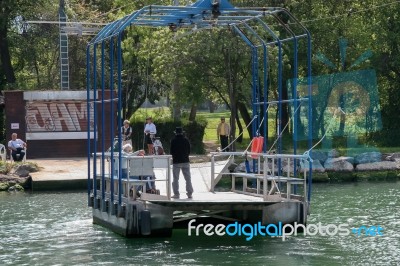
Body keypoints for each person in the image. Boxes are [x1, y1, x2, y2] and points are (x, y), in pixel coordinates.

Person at [170, 127, 193, 199]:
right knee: (188, 178)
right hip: (185, 161)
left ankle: (176, 194)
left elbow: (171, 152)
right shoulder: (186, 140)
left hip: (176, 162)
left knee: (175, 178)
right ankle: (189, 193)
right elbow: (189, 151)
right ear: (182, 132)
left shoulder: (173, 141)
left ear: (175, 133)